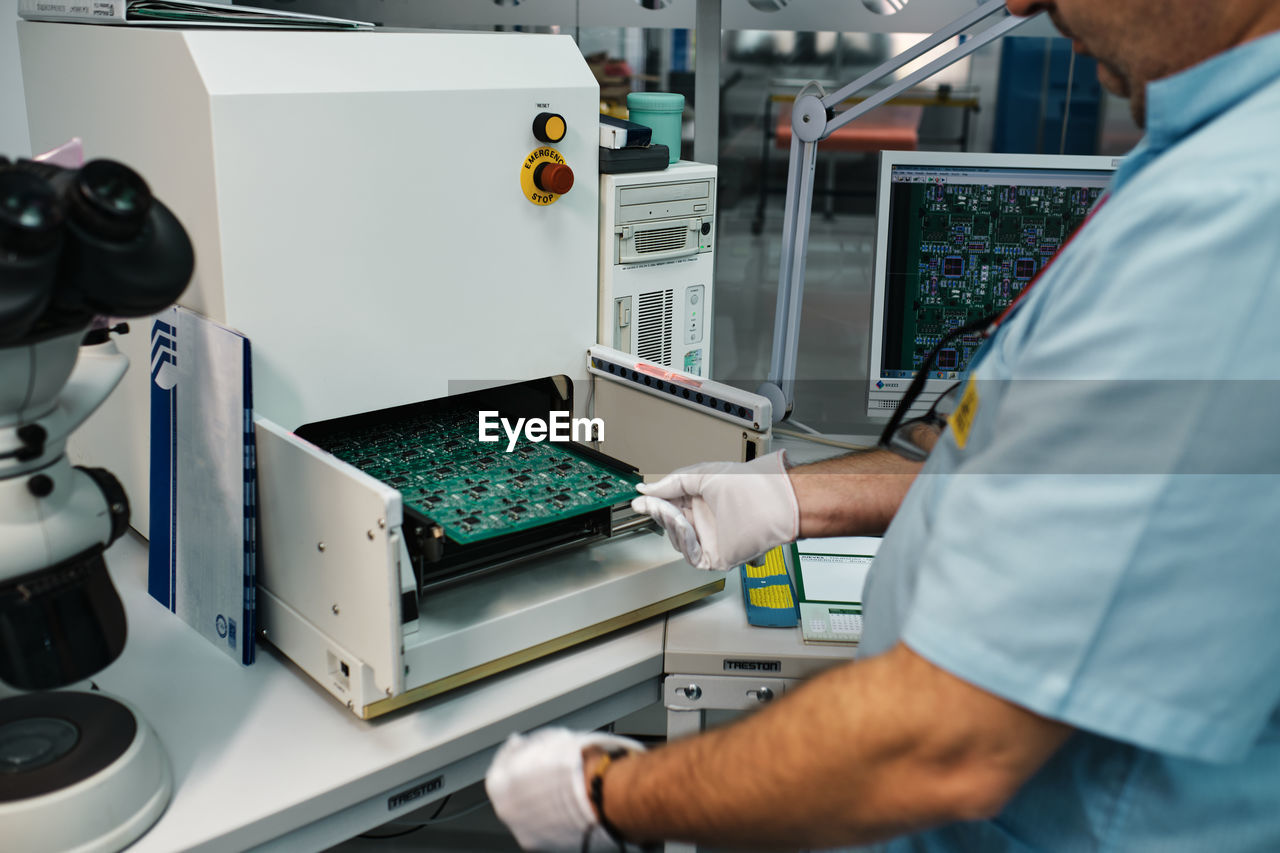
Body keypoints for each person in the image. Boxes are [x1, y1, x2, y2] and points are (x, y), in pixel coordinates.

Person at [485, 1, 1280, 849]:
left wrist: (605, 794)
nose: (1019, 5)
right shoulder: (1199, 160)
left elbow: (946, 742)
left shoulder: (1236, 210)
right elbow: (1047, 460)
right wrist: (792, 499)